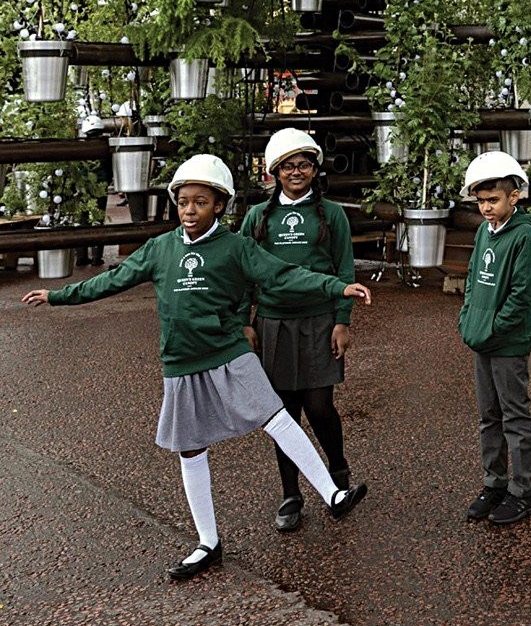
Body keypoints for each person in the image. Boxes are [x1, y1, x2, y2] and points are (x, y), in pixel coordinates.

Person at [22, 154, 370, 582]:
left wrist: (337, 287)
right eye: (183, 202)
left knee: (275, 416)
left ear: (219, 205)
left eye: (200, 202)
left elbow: (283, 275)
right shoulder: (160, 248)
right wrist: (58, 296)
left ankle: (333, 495)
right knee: (190, 449)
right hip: (182, 359)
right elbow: (111, 281)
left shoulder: (236, 247)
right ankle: (208, 542)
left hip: (227, 350)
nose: (189, 210)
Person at [240, 129, 358, 535]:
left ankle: (337, 468)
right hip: (272, 322)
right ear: (274, 172)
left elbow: (344, 270)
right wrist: (244, 321)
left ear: (314, 169)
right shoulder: (258, 217)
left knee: (320, 406)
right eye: (288, 165)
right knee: (284, 414)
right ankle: (291, 494)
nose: (296, 172)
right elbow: (240, 273)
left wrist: (342, 320)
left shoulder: (333, 214)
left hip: (320, 321)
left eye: (304, 164)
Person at [458, 150, 531, 527]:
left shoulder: (523, 236)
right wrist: (467, 317)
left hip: (507, 344)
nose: (486, 208)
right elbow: (474, 279)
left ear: (515, 196)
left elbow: (521, 297)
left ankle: (523, 492)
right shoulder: (483, 231)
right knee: (487, 416)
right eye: (481, 201)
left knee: (514, 416)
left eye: (493, 200)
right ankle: (494, 483)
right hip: (483, 340)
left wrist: (491, 329)